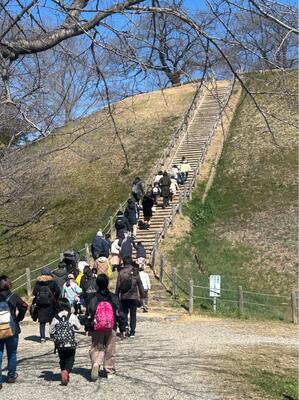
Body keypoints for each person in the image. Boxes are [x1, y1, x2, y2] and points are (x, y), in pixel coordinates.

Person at [85, 274, 125, 381]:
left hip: (97, 327)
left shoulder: (93, 298)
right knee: (110, 348)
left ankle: (96, 363)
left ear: (97, 284)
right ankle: (109, 371)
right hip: (111, 326)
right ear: (107, 283)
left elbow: (89, 313)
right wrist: (122, 327)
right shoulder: (113, 297)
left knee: (97, 347)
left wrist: (88, 327)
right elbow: (119, 313)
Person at [0, 275, 28, 390]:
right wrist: (18, 318)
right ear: (9, 284)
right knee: (12, 353)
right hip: (12, 329)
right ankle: (11, 376)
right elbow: (24, 306)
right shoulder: (14, 296)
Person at [49, 298, 81, 386]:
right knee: (71, 358)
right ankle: (66, 371)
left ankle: (63, 370)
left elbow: (51, 331)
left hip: (60, 343)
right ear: (67, 305)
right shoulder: (72, 316)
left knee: (62, 358)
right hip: (70, 343)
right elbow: (79, 327)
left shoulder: (55, 317)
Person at [116, 257, 145, 338]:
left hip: (124, 296)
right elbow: (140, 284)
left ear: (123, 263)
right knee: (133, 315)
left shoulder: (121, 272)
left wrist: (116, 297)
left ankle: (125, 326)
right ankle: (132, 332)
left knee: (124, 313)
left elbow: (118, 286)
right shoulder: (135, 272)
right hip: (134, 296)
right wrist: (142, 296)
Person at [32, 267, 60, 343]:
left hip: (40, 304)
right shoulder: (52, 281)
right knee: (51, 320)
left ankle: (42, 338)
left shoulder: (38, 282)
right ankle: (52, 336)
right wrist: (55, 298)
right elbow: (58, 291)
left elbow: (34, 293)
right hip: (51, 303)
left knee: (42, 321)